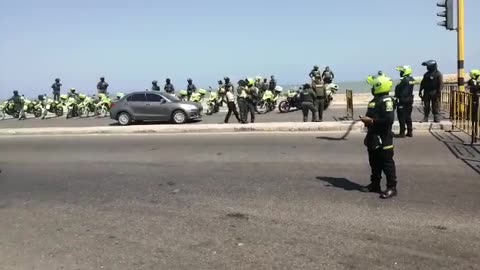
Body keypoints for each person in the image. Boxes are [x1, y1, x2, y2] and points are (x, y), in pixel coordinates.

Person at [360, 74, 397, 199]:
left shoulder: (387, 101)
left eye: (373, 86)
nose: (371, 88)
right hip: (373, 137)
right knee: (374, 162)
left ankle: (392, 187)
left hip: (384, 137)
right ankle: (375, 184)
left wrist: (372, 121)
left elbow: (389, 120)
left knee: (387, 163)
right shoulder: (374, 101)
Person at [394, 65, 415, 137]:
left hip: (403, 101)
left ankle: (402, 132)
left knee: (401, 117)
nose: (400, 73)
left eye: (401, 71)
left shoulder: (404, 80)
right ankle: (410, 131)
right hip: (410, 100)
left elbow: (400, 91)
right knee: (408, 116)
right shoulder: (412, 79)